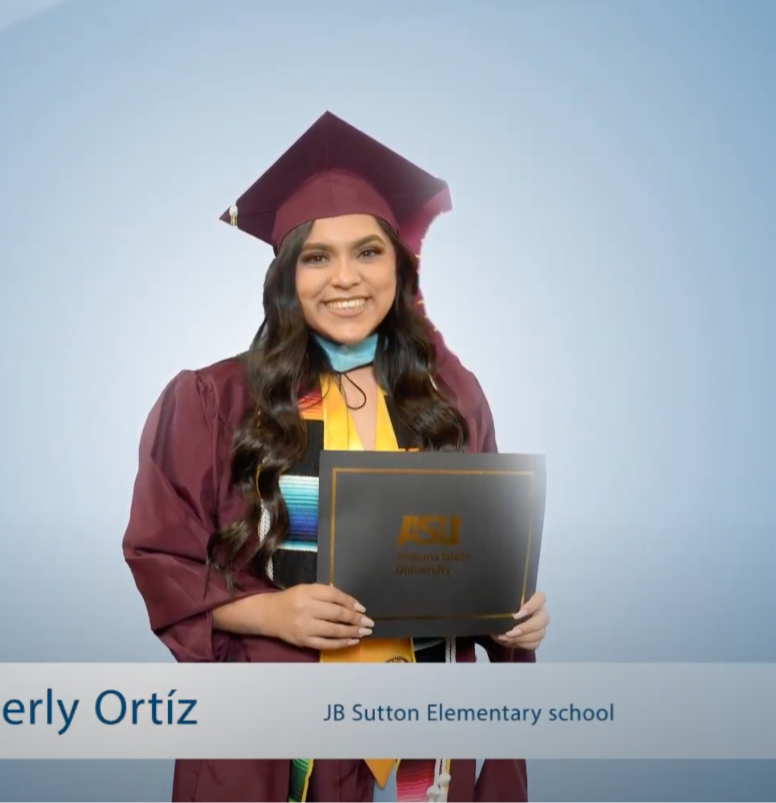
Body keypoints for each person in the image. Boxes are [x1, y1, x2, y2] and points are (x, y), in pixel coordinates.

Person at [122, 111, 550, 803]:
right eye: (317, 256)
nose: (345, 278)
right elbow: (160, 558)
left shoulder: (448, 398)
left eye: (368, 252)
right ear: (287, 274)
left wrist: (515, 614)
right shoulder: (215, 399)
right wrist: (275, 612)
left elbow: (476, 560)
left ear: (400, 264)